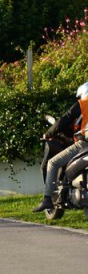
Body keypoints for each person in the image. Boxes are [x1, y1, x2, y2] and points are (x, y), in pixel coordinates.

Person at [33, 81, 88, 212]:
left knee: (52, 163)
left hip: (84, 144)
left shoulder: (83, 104)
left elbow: (64, 119)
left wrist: (48, 134)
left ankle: (47, 199)